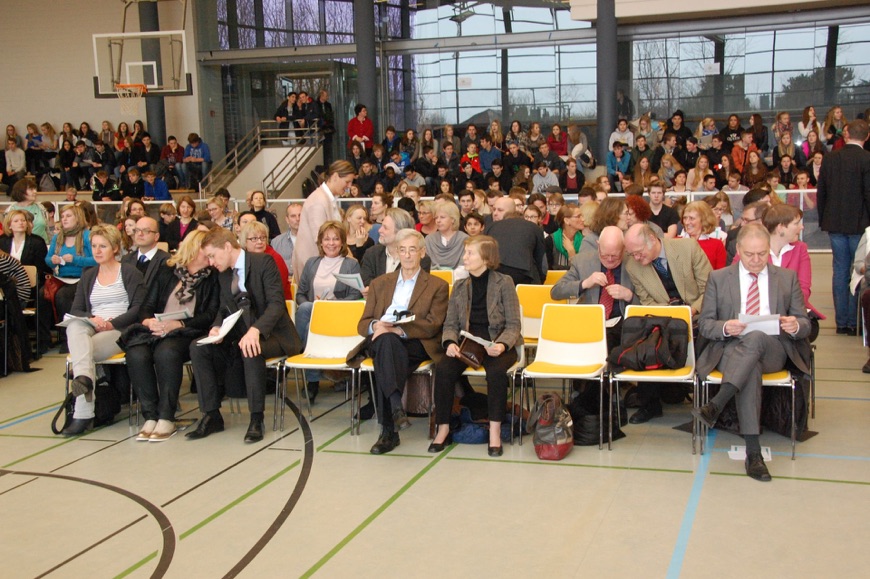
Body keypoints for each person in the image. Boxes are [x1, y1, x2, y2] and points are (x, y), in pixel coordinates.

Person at [693, 224, 811, 482]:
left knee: (756, 338)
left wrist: (795, 325)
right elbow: (705, 324)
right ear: (738, 250)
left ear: (769, 250)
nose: (756, 260)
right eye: (750, 254)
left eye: (762, 254)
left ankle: (717, 403)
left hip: (773, 349)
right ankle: (753, 453)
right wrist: (726, 327)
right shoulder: (719, 278)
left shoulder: (786, 278)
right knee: (750, 368)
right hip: (730, 348)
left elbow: (805, 322)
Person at [186, 228, 302, 443]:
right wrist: (216, 327)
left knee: (250, 347)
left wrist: (255, 330)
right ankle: (211, 414)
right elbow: (223, 307)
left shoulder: (263, 262)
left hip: (273, 334)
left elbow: (276, 304)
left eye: (212, 255)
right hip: (239, 333)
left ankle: (256, 418)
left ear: (227, 247)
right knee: (198, 347)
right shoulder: (223, 273)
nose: (210, 262)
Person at [353, 229, 449, 454]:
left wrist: (399, 329)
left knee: (385, 357)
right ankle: (395, 409)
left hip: (416, 341)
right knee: (386, 344)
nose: (407, 255)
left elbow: (433, 324)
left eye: (412, 250)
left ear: (422, 253)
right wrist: (377, 325)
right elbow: (363, 323)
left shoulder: (437, 285)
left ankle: (388, 431)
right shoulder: (379, 283)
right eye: (402, 250)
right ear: (396, 252)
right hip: (382, 338)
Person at [121, 230, 219, 441]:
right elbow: (146, 306)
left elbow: (210, 314)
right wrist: (149, 321)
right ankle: (150, 415)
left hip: (188, 330)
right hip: (158, 328)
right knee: (136, 353)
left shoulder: (213, 276)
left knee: (166, 353)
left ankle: (166, 416)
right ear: (195, 249)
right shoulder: (167, 271)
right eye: (207, 250)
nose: (211, 255)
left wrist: (179, 324)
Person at [430, 235, 521, 456]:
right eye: (466, 252)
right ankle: (443, 428)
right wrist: (450, 342)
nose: (465, 257)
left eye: (470, 253)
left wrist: (501, 345)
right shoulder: (460, 286)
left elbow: (513, 324)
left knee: (496, 373)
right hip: (468, 344)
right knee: (443, 369)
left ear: (486, 258)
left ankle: (495, 431)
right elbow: (450, 323)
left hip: (497, 342)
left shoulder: (504, 282)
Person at [623, 223, 712, 424]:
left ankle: (707, 404)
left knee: (709, 337)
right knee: (645, 341)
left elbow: (710, 288)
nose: (636, 258)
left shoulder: (688, 248)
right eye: (631, 254)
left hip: (698, 315)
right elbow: (647, 302)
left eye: (638, 252)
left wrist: (692, 310)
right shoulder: (633, 266)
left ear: (652, 239)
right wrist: (672, 314)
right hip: (664, 319)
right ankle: (650, 404)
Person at [61, 225, 146, 435]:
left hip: (119, 329)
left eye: (103, 246)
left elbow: (138, 308)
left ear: (115, 248)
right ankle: (85, 379)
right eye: (94, 246)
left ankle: (83, 414)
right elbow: (76, 309)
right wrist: (92, 319)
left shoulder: (129, 272)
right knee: (74, 324)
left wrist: (111, 323)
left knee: (83, 354)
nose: (97, 251)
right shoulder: (88, 275)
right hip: (92, 326)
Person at [295, 221, 364, 401]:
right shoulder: (312, 263)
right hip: (314, 314)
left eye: (335, 239)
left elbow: (356, 295)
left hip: (339, 315)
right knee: (306, 310)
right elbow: (300, 294)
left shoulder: (351, 265)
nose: (331, 243)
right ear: (320, 242)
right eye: (327, 239)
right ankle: (311, 374)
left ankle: (305, 366)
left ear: (342, 242)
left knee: (307, 315)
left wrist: (331, 305)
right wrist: (318, 306)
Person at [817, 119, 870, 335]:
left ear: (846, 134)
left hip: (835, 224)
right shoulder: (867, 159)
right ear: (867, 136)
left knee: (840, 270)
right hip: (860, 226)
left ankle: (842, 322)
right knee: (859, 270)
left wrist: (824, 219)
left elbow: (821, 192)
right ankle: (855, 322)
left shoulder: (830, 158)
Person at [551, 226, 637, 346]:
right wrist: (585, 283)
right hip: (588, 323)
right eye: (605, 255)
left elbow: (649, 304)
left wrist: (629, 296)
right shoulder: (582, 261)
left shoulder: (634, 263)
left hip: (622, 327)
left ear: (624, 248)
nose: (610, 259)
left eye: (615, 256)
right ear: (598, 246)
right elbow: (556, 292)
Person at [758, 204, 825, 322]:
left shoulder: (800, 249)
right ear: (780, 228)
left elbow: (804, 289)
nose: (802, 227)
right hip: (759, 312)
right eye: (796, 223)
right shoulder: (752, 250)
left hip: (792, 313)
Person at [293, 160, 354, 280]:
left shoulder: (326, 199)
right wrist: (350, 262)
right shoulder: (318, 201)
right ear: (335, 176)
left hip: (324, 266)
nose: (349, 186)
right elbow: (322, 240)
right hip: (314, 269)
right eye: (347, 182)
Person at [1, 209, 52, 351]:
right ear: (9, 224)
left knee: (42, 296)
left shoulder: (37, 241)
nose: (21, 223)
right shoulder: (2, 241)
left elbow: (42, 268)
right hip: (6, 285)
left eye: (23, 220)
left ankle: (40, 340)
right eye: (16, 221)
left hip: (31, 286)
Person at [360, 208, 433, 292]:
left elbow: (413, 288)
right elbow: (365, 281)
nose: (379, 230)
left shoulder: (420, 258)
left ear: (400, 232)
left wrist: (378, 290)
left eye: (385, 228)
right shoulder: (372, 253)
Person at [486, 197, 547, 285]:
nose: (495, 213)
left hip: (496, 276)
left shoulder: (489, 228)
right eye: (494, 209)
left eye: (500, 210)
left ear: (511, 211)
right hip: (524, 275)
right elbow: (542, 262)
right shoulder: (534, 227)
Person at [121, 216, 170, 286]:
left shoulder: (166, 261)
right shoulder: (127, 260)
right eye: (137, 230)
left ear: (156, 236)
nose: (140, 234)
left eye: (146, 231)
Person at [681, 201, 727, 270]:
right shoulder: (675, 242)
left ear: (703, 220)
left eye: (691, 218)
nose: (687, 222)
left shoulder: (717, 245)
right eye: (685, 218)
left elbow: (720, 274)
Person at [424, 201, 468, 270]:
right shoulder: (429, 239)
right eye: (436, 218)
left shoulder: (464, 239)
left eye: (442, 217)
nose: (438, 221)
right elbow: (425, 265)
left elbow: (464, 266)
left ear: (453, 219)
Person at [8, 178, 50, 243]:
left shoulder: (41, 208)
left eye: (35, 189)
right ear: (21, 191)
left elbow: (47, 229)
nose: (35, 191)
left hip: (43, 245)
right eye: (31, 189)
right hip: (21, 246)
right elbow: (8, 232)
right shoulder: (11, 210)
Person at [546, 204, 584, 270]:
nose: (583, 219)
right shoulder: (550, 241)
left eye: (582, 216)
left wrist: (572, 253)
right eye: (578, 216)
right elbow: (547, 269)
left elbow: (584, 269)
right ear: (566, 221)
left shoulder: (584, 241)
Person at [270, 203, 301, 275]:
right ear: (287, 219)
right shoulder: (276, 242)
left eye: (300, 215)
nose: (298, 219)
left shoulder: (314, 241)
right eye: (293, 216)